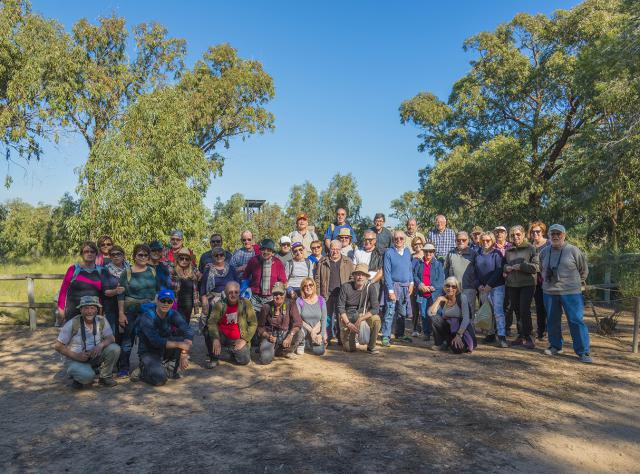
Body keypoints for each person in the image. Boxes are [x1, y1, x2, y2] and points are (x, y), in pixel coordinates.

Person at [540, 224, 592, 363]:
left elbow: (583, 270)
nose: (555, 236)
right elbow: (541, 268)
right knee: (552, 320)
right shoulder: (544, 252)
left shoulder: (573, 250)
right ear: (549, 236)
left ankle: (583, 352)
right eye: (553, 234)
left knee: (576, 320)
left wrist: (573, 284)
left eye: (559, 234)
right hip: (550, 292)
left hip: (571, 293)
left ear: (564, 235)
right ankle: (555, 346)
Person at [54, 296, 120, 389]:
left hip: (94, 356)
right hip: (75, 358)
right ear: (81, 310)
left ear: (97, 309)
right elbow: (58, 346)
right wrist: (77, 356)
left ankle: (105, 377)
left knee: (115, 348)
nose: (89, 311)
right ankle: (77, 376)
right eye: (86, 308)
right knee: (88, 377)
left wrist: (100, 345)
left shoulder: (101, 320)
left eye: (92, 308)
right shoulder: (72, 323)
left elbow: (111, 338)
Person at [130, 289, 194, 386]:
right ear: (157, 301)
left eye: (169, 301)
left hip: (164, 349)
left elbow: (188, 330)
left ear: (172, 303)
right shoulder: (147, 316)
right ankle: (143, 369)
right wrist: (179, 345)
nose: (166, 304)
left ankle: (168, 368)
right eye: (163, 300)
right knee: (159, 380)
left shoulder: (173, 313)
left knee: (181, 340)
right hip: (149, 352)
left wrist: (184, 352)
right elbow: (155, 341)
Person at [117, 244, 160, 376]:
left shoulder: (152, 271)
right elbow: (121, 294)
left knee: (146, 339)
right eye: (140, 255)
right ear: (134, 256)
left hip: (149, 311)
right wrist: (121, 313)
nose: (143, 257)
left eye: (146, 255)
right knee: (127, 340)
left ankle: (144, 366)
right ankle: (124, 368)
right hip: (131, 311)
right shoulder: (127, 273)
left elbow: (157, 291)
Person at [206, 281, 257, 368]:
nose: (233, 295)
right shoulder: (219, 305)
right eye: (230, 292)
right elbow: (212, 322)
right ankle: (214, 358)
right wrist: (215, 338)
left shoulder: (246, 303)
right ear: (226, 293)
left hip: (239, 339)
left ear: (239, 292)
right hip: (223, 337)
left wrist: (244, 340)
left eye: (236, 292)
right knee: (207, 332)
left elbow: (253, 323)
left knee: (244, 360)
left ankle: (228, 353)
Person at [504, 225, 539, 349]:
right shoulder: (508, 250)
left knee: (524, 310)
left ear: (523, 235)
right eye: (513, 235)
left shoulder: (531, 248)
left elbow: (536, 267)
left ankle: (529, 337)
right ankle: (521, 336)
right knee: (517, 310)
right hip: (512, 284)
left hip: (527, 284)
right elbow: (504, 265)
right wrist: (506, 268)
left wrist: (522, 266)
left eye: (518, 234)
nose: (515, 237)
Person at [315, 240, 354, 345]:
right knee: (327, 318)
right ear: (329, 249)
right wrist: (318, 295)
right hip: (326, 294)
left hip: (342, 295)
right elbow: (317, 280)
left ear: (341, 249)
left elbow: (352, 278)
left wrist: (349, 293)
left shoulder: (348, 261)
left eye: (337, 249)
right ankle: (327, 338)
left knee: (341, 317)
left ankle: (341, 338)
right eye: (333, 249)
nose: (335, 251)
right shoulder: (322, 261)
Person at [337, 264, 381, 354]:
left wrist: (361, 318)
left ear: (367, 277)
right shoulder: (345, 287)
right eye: (358, 274)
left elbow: (375, 308)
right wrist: (348, 323)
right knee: (350, 349)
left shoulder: (370, 287)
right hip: (348, 317)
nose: (360, 277)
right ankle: (350, 335)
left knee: (376, 319)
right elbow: (341, 307)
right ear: (354, 276)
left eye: (363, 275)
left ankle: (371, 346)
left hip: (362, 316)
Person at [474, 232, 508, 348]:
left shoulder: (496, 254)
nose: (485, 242)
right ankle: (490, 334)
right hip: (483, 288)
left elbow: (499, 270)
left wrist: (490, 284)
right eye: (483, 240)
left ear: (492, 241)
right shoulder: (477, 254)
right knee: (487, 312)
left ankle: (502, 336)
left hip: (497, 287)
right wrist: (479, 285)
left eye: (488, 240)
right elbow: (475, 272)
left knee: (498, 312)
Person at [257, 282, 303, 364]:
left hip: (285, 335)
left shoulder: (291, 303)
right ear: (272, 295)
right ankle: (271, 350)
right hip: (271, 337)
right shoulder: (266, 307)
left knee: (299, 333)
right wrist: (267, 336)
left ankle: (286, 351)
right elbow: (260, 327)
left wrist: (290, 335)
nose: (278, 296)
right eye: (275, 294)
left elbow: (298, 323)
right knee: (265, 359)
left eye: (281, 294)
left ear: (285, 294)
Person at [57, 241, 103, 323]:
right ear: (82, 254)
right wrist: (61, 309)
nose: (89, 254)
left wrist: (102, 311)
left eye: (92, 251)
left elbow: (103, 293)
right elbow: (63, 290)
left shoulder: (102, 271)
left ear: (96, 254)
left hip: (93, 313)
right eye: (86, 251)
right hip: (73, 312)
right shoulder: (73, 269)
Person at [382, 230, 414, 346]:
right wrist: (390, 290)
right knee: (390, 312)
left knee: (402, 312)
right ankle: (386, 336)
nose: (398, 240)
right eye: (396, 238)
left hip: (405, 287)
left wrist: (411, 283)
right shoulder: (389, 252)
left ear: (404, 239)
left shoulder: (407, 252)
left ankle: (400, 334)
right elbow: (387, 272)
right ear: (393, 239)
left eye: (401, 238)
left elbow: (409, 269)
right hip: (393, 286)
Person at [428, 277, 477, 353]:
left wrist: (459, 335)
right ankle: (440, 344)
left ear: (457, 288)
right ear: (444, 287)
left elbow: (466, 319)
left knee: (457, 350)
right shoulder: (443, 298)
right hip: (448, 329)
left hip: (461, 330)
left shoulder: (462, 297)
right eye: (448, 286)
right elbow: (430, 313)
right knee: (435, 318)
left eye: (453, 286)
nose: (450, 288)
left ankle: (450, 343)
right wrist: (438, 300)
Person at [244, 239, 288, 314]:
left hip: (271, 299)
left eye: (269, 250)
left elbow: (284, 282)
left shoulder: (277, 263)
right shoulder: (253, 260)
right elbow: (245, 276)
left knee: (270, 319)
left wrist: (278, 287)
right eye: (263, 249)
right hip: (255, 298)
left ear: (272, 252)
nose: (266, 252)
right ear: (260, 250)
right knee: (254, 319)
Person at [412, 243, 445, 342]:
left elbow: (441, 279)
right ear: (423, 252)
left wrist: (432, 287)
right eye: (426, 251)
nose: (428, 253)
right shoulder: (419, 263)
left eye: (430, 251)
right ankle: (426, 333)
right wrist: (420, 284)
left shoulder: (438, 264)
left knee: (436, 314)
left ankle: (437, 334)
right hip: (422, 293)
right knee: (424, 314)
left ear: (433, 252)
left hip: (434, 294)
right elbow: (414, 275)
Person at [445, 231, 479, 317]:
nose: (461, 242)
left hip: (469, 288)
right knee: (455, 315)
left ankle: (470, 326)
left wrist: (475, 285)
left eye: (464, 240)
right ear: (455, 241)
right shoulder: (450, 253)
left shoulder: (473, 254)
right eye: (458, 240)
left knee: (469, 314)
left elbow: (478, 271)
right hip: (454, 289)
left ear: (468, 240)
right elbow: (445, 270)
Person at [199, 247, 238, 317]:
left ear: (224, 256)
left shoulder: (231, 269)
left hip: (230, 299)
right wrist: (204, 303)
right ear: (212, 257)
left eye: (221, 254)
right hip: (213, 301)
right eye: (216, 255)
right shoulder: (208, 270)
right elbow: (203, 289)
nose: (219, 256)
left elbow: (237, 285)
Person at [529, 221, 550, 341]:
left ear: (542, 232)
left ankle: (547, 330)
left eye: (538, 231)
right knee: (539, 306)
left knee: (548, 305)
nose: (535, 233)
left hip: (546, 280)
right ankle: (540, 330)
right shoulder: (530, 246)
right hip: (533, 280)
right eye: (533, 232)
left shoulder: (548, 243)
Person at [294, 277, 327, 356]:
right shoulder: (299, 300)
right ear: (302, 288)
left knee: (319, 351)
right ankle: (302, 343)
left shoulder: (321, 299)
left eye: (310, 285)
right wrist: (311, 330)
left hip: (317, 330)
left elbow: (324, 318)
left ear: (314, 286)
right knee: (299, 328)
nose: (308, 287)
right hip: (304, 329)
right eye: (305, 286)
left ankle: (310, 343)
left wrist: (322, 334)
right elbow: (298, 319)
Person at [100, 245, 128, 333]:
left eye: (118, 254)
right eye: (113, 255)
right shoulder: (105, 270)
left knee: (126, 334)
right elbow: (105, 292)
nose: (116, 256)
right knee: (112, 334)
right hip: (111, 307)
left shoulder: (129, 269)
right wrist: (116, 291)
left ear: (123, 255)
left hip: (127, 307)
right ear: (110, 257)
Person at [493, 225, 514, 334]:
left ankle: (507, 327)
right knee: (496, 304)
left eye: (502, 232)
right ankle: (495, 327)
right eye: (497, 232)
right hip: (495, 280)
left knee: (508, 305)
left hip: (510, 278)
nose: (499, 234)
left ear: (506, 234)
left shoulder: (511, 246)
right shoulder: (491, 246)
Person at [352, 230, 384, 294]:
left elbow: (380, 272)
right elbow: (354, 267)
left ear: (374, 241)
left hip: (373, 283)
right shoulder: (357, 252)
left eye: (370, 240)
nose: (367, 241)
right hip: (359, 283)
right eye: (365, 239)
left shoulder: (379, 253)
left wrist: (371, 282)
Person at [173, 247, 200, 323]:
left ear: (189, 261)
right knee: (179, 324)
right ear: (178, 259)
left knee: (186, 323)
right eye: (181, 258)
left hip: (189, 305)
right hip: (177, 303)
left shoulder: (193, 271)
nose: (184, 261)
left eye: (187, 259)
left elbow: (202, 276)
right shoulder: (173, 271)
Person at [409, 235, 426, 336]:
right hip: (414, 286)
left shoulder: (427, 255)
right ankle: (415, 328)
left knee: (424, 308)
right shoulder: (411, 257)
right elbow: (408, 271)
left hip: (425, 286)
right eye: (415, 244)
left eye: (419, 244)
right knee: (415, 309)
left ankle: (427, 329)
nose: (418, 246)